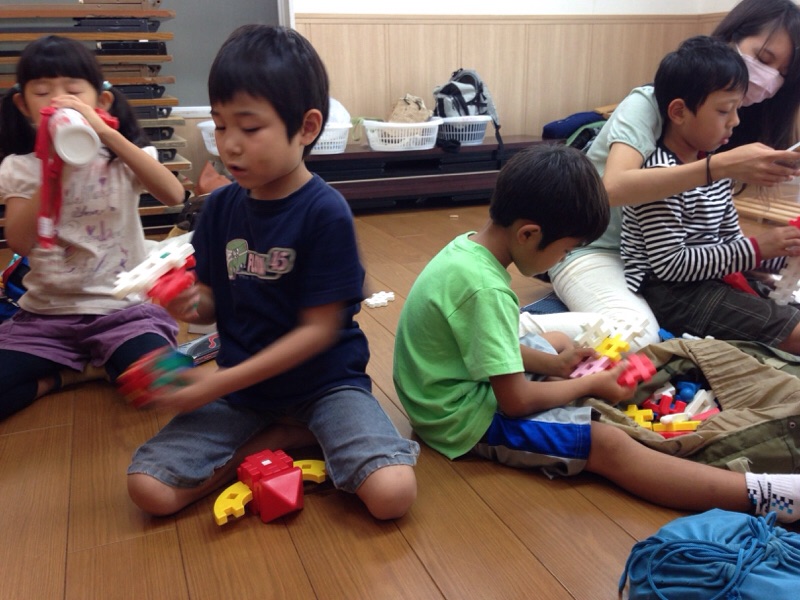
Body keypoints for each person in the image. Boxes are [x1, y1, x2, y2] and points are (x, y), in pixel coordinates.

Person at [394, 143, 800, 524]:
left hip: (442, 382)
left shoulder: (467, 251)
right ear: (528, 234)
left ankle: (566, 378)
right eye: (566, 250)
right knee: (608, 445)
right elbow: (514, 402)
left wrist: (558, 366)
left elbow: (486, 345)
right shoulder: (487, 291)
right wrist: (591, 384)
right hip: (458, 417)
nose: (563, 258)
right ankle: (767, 494)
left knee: (558, 344)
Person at [126, 25, 419, 520]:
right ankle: (281, 437)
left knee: (392, 493)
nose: (229, 145)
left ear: (306, 127)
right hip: (244, 392)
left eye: (249, 128)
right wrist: (183, 300)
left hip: (326, 385)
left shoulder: (324, 213)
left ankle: (295, 429)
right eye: (220, 126)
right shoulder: (220, 209)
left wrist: (212, 385)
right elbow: (211, 302)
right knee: (149, 490)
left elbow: (318, 332)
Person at [519, 0, 800, 349]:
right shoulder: (652, 108)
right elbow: (612, 189)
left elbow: (722, 240)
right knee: (635, 335)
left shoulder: (718, 133)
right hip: (595, 249)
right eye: (764, 58)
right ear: (732, 39)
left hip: (664, 267)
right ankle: (503, 329)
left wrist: (774, 253)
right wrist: (719, 171)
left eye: (781, 73)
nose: (769, 78)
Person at [0, 35, 186, 420]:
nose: (58, 100)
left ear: (101, 102)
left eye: (72, 91)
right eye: (42, 92)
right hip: (47, 316)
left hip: (121, 310)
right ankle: (67, 375)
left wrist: (106, 134)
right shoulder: (21, 168)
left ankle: (101, 362)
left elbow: (174, 194)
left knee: (167, 383)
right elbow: (19, 240)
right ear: (23, 105)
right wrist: (54, 169)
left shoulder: (120, 159)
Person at [621, 36, 800, 353]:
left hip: (712, 279)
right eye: (724, 110)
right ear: (679, 112)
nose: (736, 121)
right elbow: (671, 266)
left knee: (788, 313)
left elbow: (730, 243)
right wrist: (758, 247)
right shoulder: (661, 176)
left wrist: (783, 252)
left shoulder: (715, 168)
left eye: (737, 109)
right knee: (792, 331)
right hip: (672, 293)